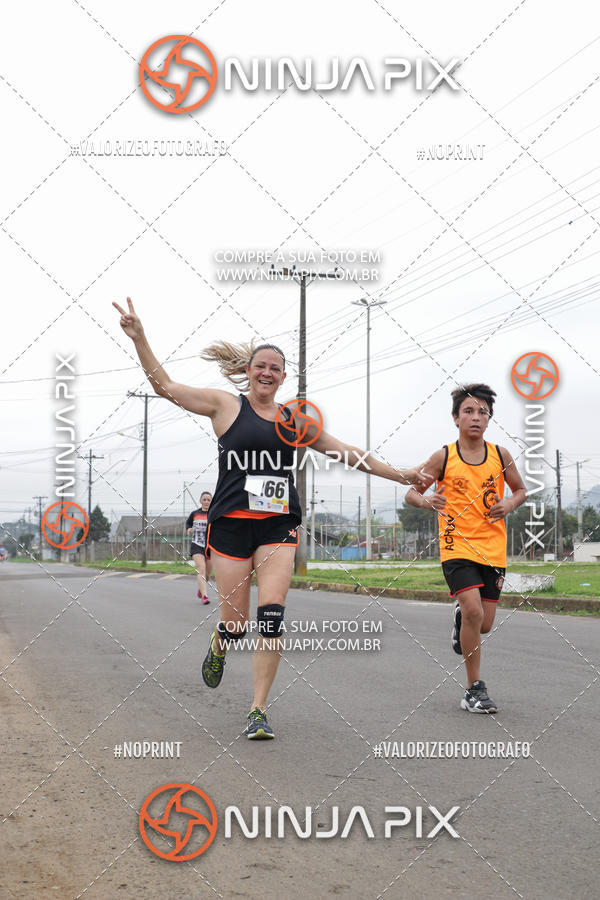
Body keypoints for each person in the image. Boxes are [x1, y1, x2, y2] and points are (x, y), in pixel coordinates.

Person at [113, 297, 428, 739]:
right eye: (261, 366)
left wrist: (402, 475)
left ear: (283, 377)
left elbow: (350, 454)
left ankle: (258, 710)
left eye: (276, 368)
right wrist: (140, 338)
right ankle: (220, 642)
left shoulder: (294, 419)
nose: (267, 373)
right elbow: (166, 386)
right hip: (231, 526)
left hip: (278, 526)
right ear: (249, 371)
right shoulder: (225, 406)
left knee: (272, 618)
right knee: (236, 624)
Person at [405, 384, 526, 714]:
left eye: (482, 412)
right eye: (469, 411)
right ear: (455, 418)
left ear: (489, 420)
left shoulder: (500, 455)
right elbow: (411, 494)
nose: (475, 417)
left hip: (493, 548)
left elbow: (520, 490)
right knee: (474, 611)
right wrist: (427, 500)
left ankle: (462, 619)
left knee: (483, 624)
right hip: (456, 544)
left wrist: (509, 503)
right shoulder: (444, 456)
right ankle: (474, 689)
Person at [186, 491, 213, 604]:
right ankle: (205, 596)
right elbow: (188, 524)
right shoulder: (195, 513)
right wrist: (189, 529)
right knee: (201, 568)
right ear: (200, 501)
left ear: (211, 502)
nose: (206, 502)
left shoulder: (214, 513)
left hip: (210, 546)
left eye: (208, 500)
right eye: (204, 499)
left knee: (207, 574)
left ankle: (201, 589)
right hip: (197, 544)